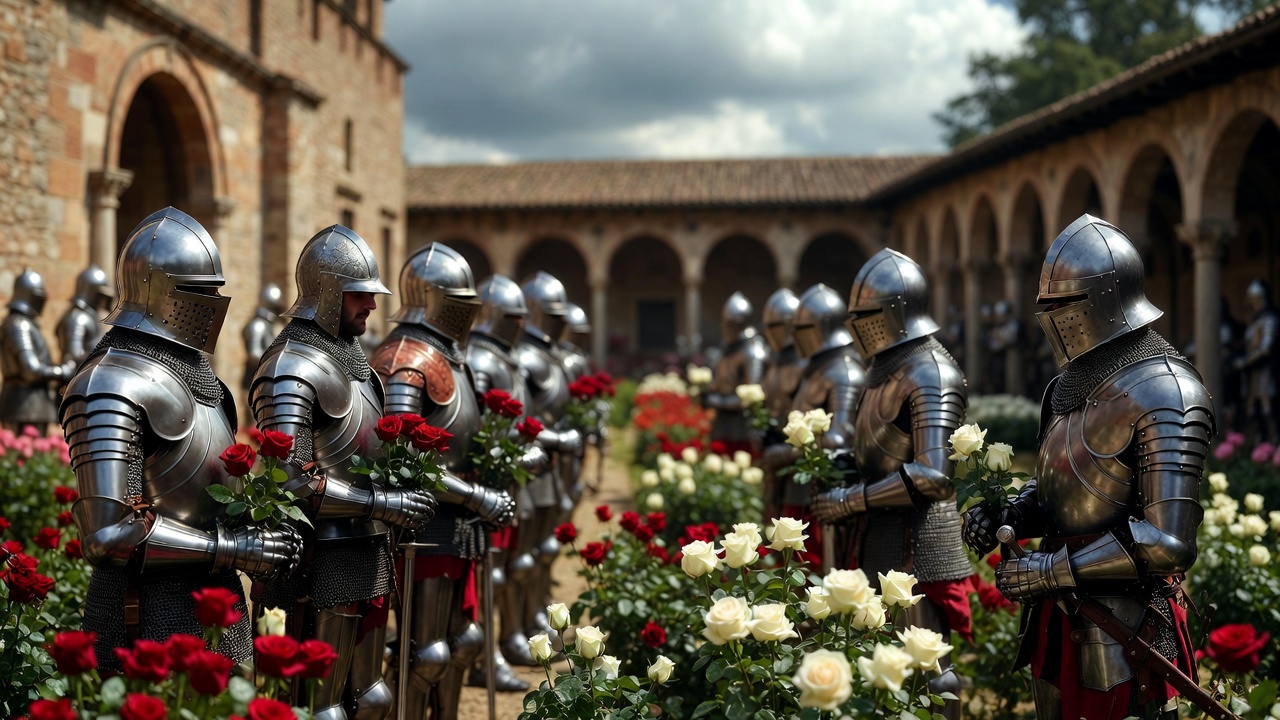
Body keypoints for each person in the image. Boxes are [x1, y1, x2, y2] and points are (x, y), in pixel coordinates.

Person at [963, 215, 1212, 720]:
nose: (1051, 317)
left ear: (1105, 300)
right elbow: (1061, 488)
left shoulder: (1167, 390)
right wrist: (1010, 513)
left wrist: (1048, 571)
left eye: (1063, 304)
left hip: (1127, 623)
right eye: (1046, 305)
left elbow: (1168, 543)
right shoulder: (1065, 387)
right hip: (1057, 618)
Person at [63, 207, 301, 669]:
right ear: (158, 292)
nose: (212, 304)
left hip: (217, 605)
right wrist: (233, 548)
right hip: (143, 614)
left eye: (214, 290)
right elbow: (107, 536)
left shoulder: (205, 381)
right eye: (199, 292)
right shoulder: (109, 385)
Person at [250, 224, 436, 720]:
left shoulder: (356, 361)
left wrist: (402, 490)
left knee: (372, 698)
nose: (372, 306)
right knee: (320, 708)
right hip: (317, 555)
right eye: (360, 294)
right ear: (328, 293)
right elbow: (289, 482)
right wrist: (383, 503)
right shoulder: (290, 367)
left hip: (364, 547)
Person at [811, 249, 969, 720]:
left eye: (866, 314)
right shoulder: (885, 369)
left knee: (928, 668)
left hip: (917, 538)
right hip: (880, 530)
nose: (858, 324)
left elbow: (935, 475)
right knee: (882, 666)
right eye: (854, 315)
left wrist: (849, 499)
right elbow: (876, 451)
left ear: (896, 311)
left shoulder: (929, 372)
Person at [372, 245, 519, 718]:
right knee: (426, 652)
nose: (468, 311)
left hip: (457, 523)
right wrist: (477, 495)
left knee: (464, 640)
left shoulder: (451, 356)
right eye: (459, 301)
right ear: (436, 298)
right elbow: (402, 457)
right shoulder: (407, 358)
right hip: (424, 527)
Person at [465, 274, 550, 690]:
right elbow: (478, 434)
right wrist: (517, 456)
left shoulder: (504, 357)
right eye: (515, 317)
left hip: (507, 480)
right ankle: (486, 655)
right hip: (487, 483)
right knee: (490, 575)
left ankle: (500, 644)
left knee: (503, 570)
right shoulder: (481, 360)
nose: (521, 324)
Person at [515, 272, 582, 639]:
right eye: (554, 315)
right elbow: (518, 420)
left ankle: (535, 614)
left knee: (544, 549)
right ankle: (516, 629)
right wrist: (557, 438)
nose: (561, 322)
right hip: (529, 467)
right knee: (522, 557)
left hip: (549, 466)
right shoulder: (525, 357)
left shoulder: (549, 355)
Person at [1, 268, 74, 434]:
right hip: (23, 405)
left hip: (31, 405)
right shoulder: (18, 325)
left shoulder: (22, 323)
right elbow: (30, 370)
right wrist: (62, 370)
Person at [758, 288, 805, 520]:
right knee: (771, 512)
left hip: (796, 453)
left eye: (775, 326)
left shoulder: (805, 363)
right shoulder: (771, 361)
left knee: (794, 517)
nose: (770, 333)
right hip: (773, 443)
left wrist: (790, 451)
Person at [704, 291, 769, 454]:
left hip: (744, 428)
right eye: (726, 323)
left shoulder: (752, 352)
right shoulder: (726, 351)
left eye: (732, 324)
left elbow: (750, 397)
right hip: (722, 424)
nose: (728, 328)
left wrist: (715, 400)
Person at [1237, 279, 1278, 444]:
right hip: (1254, 375)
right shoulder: (1256, 322)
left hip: (1268, 374)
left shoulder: (1270, 320)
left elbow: (1265, 348)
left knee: (1269, 414)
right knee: (1255, 414)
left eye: (1253, 300)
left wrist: (1245, 362)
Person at [57, 264, 113, 367]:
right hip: (79, 379)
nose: (102, 300)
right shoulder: (77, 319)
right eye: (100, 295)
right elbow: (74, 357)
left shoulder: (88, 317)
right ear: (91, 292)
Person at [242, 282, 284, 391]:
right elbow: (254, 354)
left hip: (265, 378)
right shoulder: (258, 325)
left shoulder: (269, 325)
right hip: (253, 379)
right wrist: (275, 360)